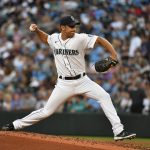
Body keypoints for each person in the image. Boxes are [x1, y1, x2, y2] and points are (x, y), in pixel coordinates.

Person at [1, 16, 136, 141]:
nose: (74, 29)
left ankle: (118, 131)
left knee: (105, 96)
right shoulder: (54, 38)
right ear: (62, 28)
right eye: (71, 26)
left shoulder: (80, 38)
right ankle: (15, 125)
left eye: (74, 26)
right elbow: (46, 38)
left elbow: (100, 40)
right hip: (64, 84)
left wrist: (113, 55)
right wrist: (37, 30)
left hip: (83, 81)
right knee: (46, 111)